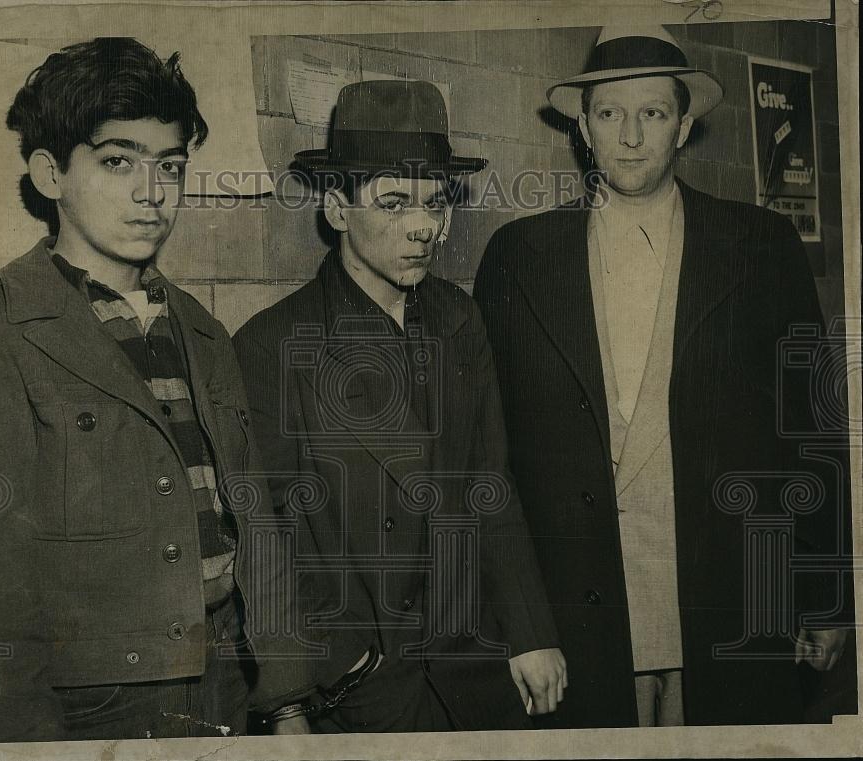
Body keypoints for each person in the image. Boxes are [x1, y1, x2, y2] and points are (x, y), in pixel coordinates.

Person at [473, 26, 851, 728]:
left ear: (684, 126)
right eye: (610, 113)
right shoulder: (518, 258)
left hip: (729, 596)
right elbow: (489, 458)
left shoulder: (762, 247)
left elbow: (813, 432)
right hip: (578, 611)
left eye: (653, 113)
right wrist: (519, 621)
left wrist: (828, 594)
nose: (631, 135)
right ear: (582, 127)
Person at [0, 37, 266, 742]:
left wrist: (285, 698)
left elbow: (255, 520)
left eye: (170, 167)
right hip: (89, 705)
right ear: (49, 173)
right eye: (117, 161)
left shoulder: (202, 329)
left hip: (225, 678)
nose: (151, 193)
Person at [233, 80, 566, 734]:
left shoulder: (458, 318)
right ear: (336, 208)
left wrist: (530, 631)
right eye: (393, 201)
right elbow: (264, 539)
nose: (424, 227)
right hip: (362, 692)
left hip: (475, 668)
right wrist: (324, 678)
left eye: (436, 201)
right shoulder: (272, 344)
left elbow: (489, 483)